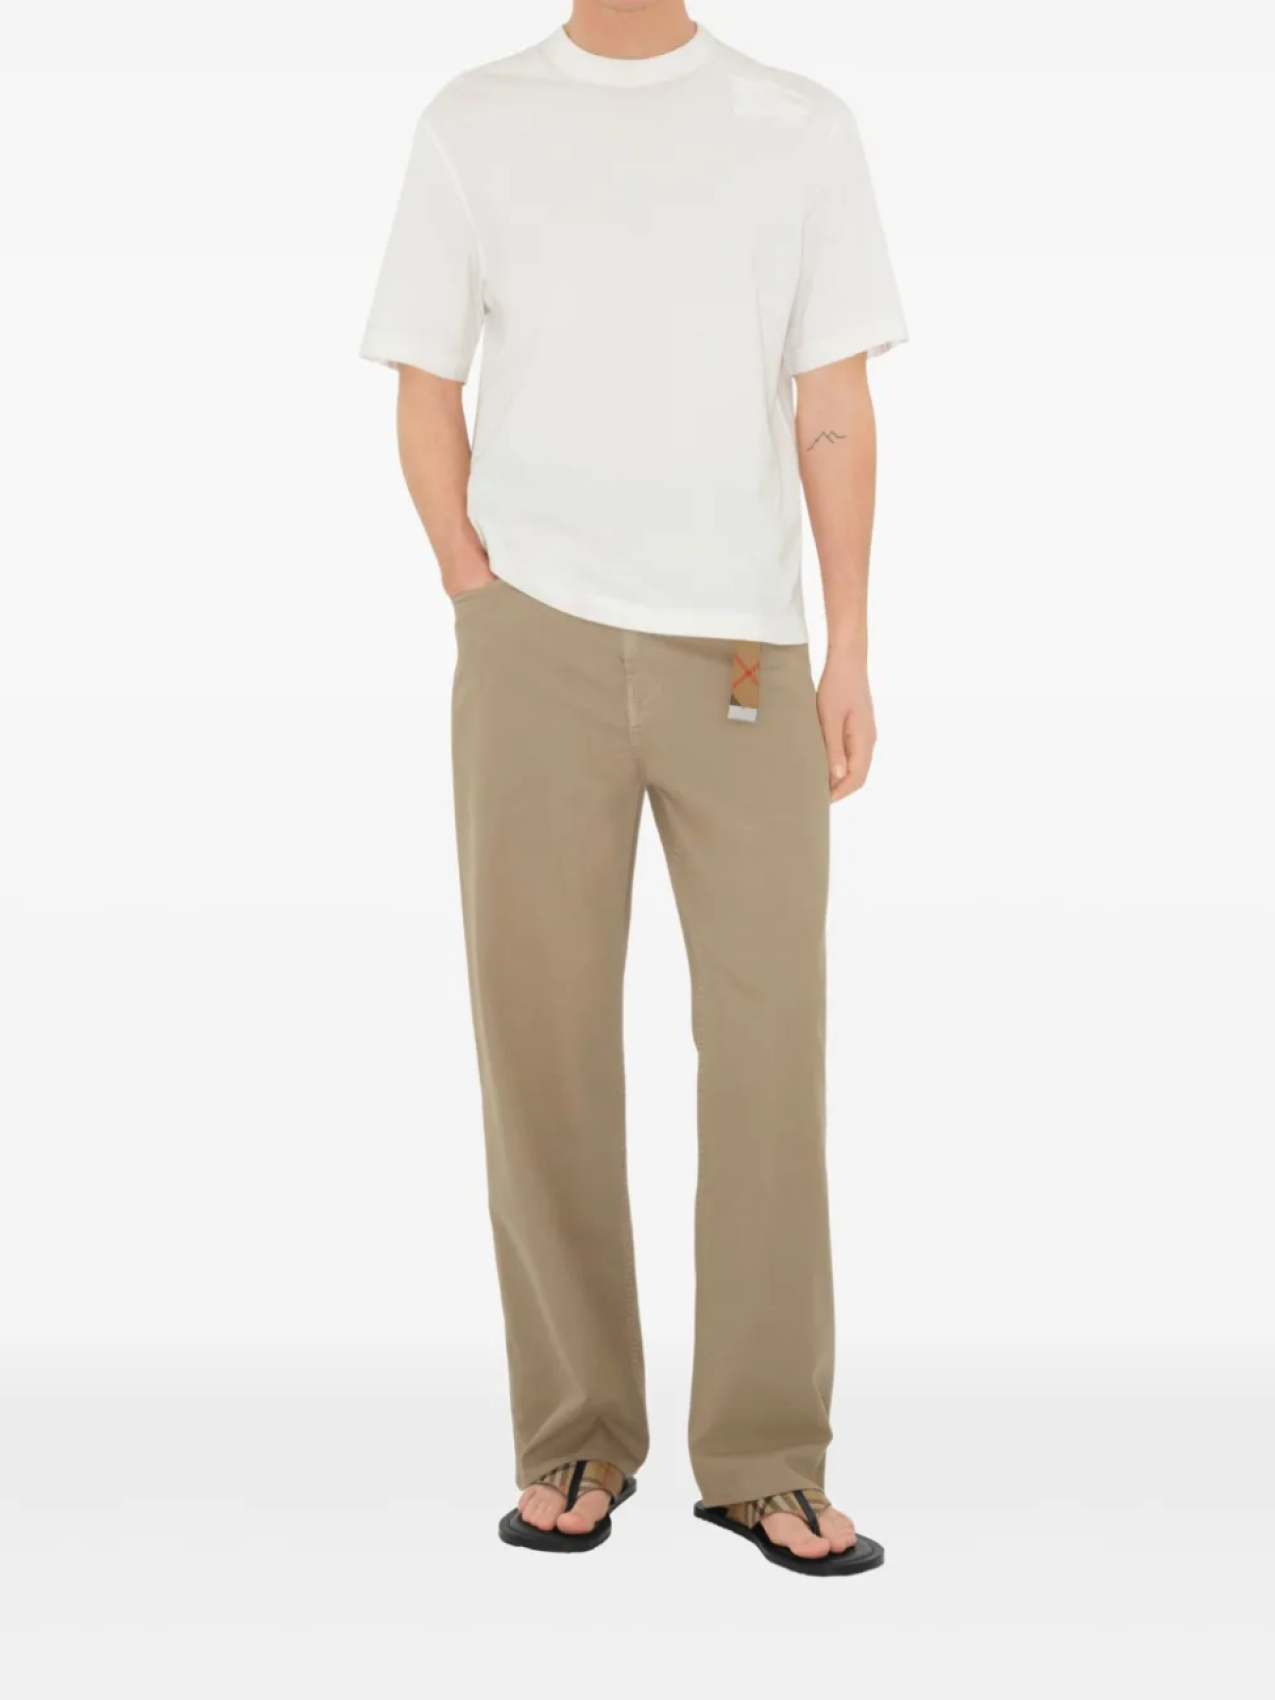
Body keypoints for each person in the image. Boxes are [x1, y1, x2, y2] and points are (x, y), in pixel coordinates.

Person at [360, 0, 907, 1575]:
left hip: (743, 651)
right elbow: (424, 379)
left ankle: (765, 1456)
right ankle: (576, 1434)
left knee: (768, 1051)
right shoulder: (473, 119)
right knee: (539, 1043)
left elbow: (831, 400)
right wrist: (471, 582)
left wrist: (850, 644)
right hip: (532, 637)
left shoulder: (799, 125)